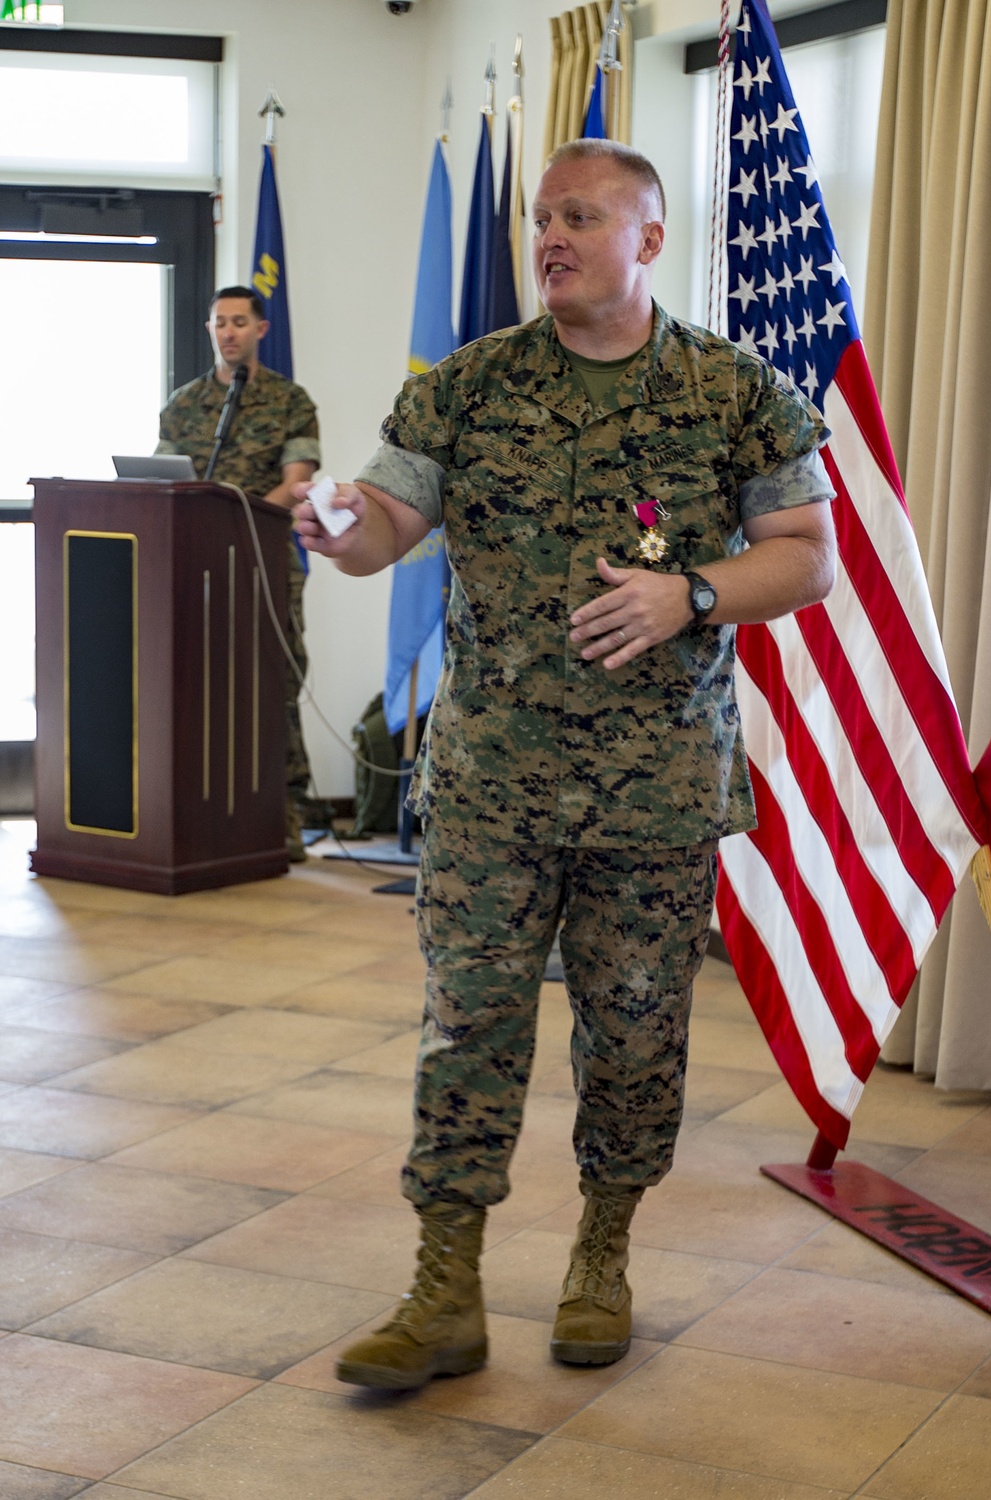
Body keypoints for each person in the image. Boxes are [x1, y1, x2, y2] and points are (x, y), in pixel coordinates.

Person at [295, 140, 837, 1388]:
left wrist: (688, 594)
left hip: (653, 791)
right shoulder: (470, 386)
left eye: (581, 217)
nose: (551, 236)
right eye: (542, 217)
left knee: (636, 1035)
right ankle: (444, 1290)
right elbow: (383, 528)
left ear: (647, 240)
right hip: (492, 783)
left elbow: (805, 555)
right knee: (467, 1028)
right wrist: (337, 524)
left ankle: (602, 1253)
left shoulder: (731, 389)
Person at [157, 286, 320, 861]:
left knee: (273, 685)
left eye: (239, 322)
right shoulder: (182, 404)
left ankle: (285, 816)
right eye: (219, 322)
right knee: (186, 683)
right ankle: (193, 813)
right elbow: (160, 480)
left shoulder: (290, 401)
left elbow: (297, 480)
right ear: (209, 330)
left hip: (264, 559)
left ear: (261, 330)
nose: (228, 331)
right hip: (188, 564)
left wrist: (230, 521)